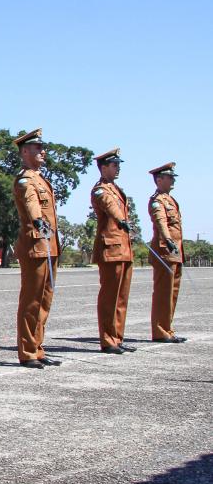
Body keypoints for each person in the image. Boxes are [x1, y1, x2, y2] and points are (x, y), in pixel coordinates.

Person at [11, 129, 62, 369]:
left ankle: (38, 347)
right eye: (37, 148)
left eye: (42, 147)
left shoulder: (41, 178)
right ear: (24, 152)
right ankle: (27, 350)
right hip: (35, 245)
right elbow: (31, 202)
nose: (42, 151)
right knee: (32, 300)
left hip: (49, 245)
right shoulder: (26, 180)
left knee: (44, 300)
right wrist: (38, 219)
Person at [90, 148, 134, 354]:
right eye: (115, 165)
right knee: (110, 296)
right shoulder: (101, 190)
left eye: (119, 165)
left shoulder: (115, 188)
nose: (118, 168)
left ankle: (117, 337)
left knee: (121, 297)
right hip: (110, 247)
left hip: (123, 247)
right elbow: (110, 207)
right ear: (103, 167)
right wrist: (122, 220)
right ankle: (107, 340)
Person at [147, 162, 188, 344]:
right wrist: (168, 239)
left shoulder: (170, 199)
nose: (173, 180)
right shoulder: (158, 201)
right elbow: (161, 222)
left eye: (173, 177)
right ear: (159, 179)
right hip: (165, 251)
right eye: (169, 177)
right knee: (163, 293)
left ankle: (167, 328)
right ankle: (160, 331)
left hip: (175, 252)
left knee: (172, 293)